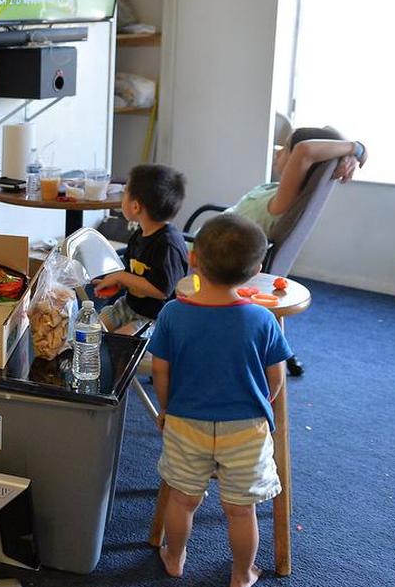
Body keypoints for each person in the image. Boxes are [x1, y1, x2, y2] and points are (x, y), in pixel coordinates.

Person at [147, 213, 292, 587]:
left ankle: (175, 558)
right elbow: (275, 377)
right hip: (246, 428)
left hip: (185, 420)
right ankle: (242, 574)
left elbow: (160, 371)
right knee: (241, 510)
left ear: (193, 259)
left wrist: (166, 408)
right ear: (256, 269)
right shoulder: (262, 319)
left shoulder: (173, 314)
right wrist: (260, 403)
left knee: (182, 499)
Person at [92, 164, 189, 331]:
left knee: (125, 340)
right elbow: (134, 274)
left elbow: (161, 291)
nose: (122, 198)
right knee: (92, 330)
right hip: (128, 306)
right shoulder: (139, 235)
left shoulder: (168, 244)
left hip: (157, 317)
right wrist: (116, 284)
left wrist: (121, 277)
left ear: (135, 206)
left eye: (124, 194)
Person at [226, 126, 366, 235]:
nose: (278, 152)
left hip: (217, 257)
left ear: (304, 163)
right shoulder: (279, 191)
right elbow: (328, 128)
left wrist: (358, 149)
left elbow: (304, 150)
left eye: (287, 148)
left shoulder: (282, 202)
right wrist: (349, 153)